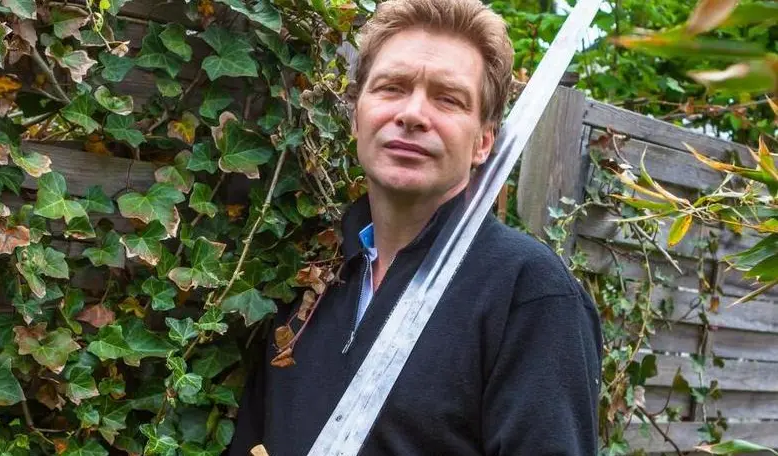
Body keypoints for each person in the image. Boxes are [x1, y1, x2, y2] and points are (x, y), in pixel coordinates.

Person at [230, 0, 603, 454]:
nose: (412, 114)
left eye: (448, 99)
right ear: (356, 116)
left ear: (484, 141)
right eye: (392, 88)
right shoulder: (308, 278)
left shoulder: (528, 292)